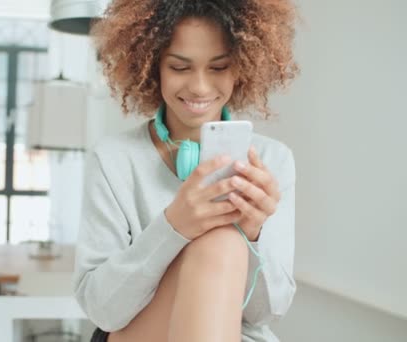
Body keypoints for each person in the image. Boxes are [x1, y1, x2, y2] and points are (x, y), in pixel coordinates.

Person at [72, 0, 299, 341]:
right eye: (180, 68)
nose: (200, 88)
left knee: (225, 241)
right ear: (153, 67)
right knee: (220, 240)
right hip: (134, 331)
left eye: (219, 67)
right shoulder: (114, 159)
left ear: (240, 68)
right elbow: (104, 311)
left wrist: (252, 235)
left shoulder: (272, 161)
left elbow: (264, 315)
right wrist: (174, 225)